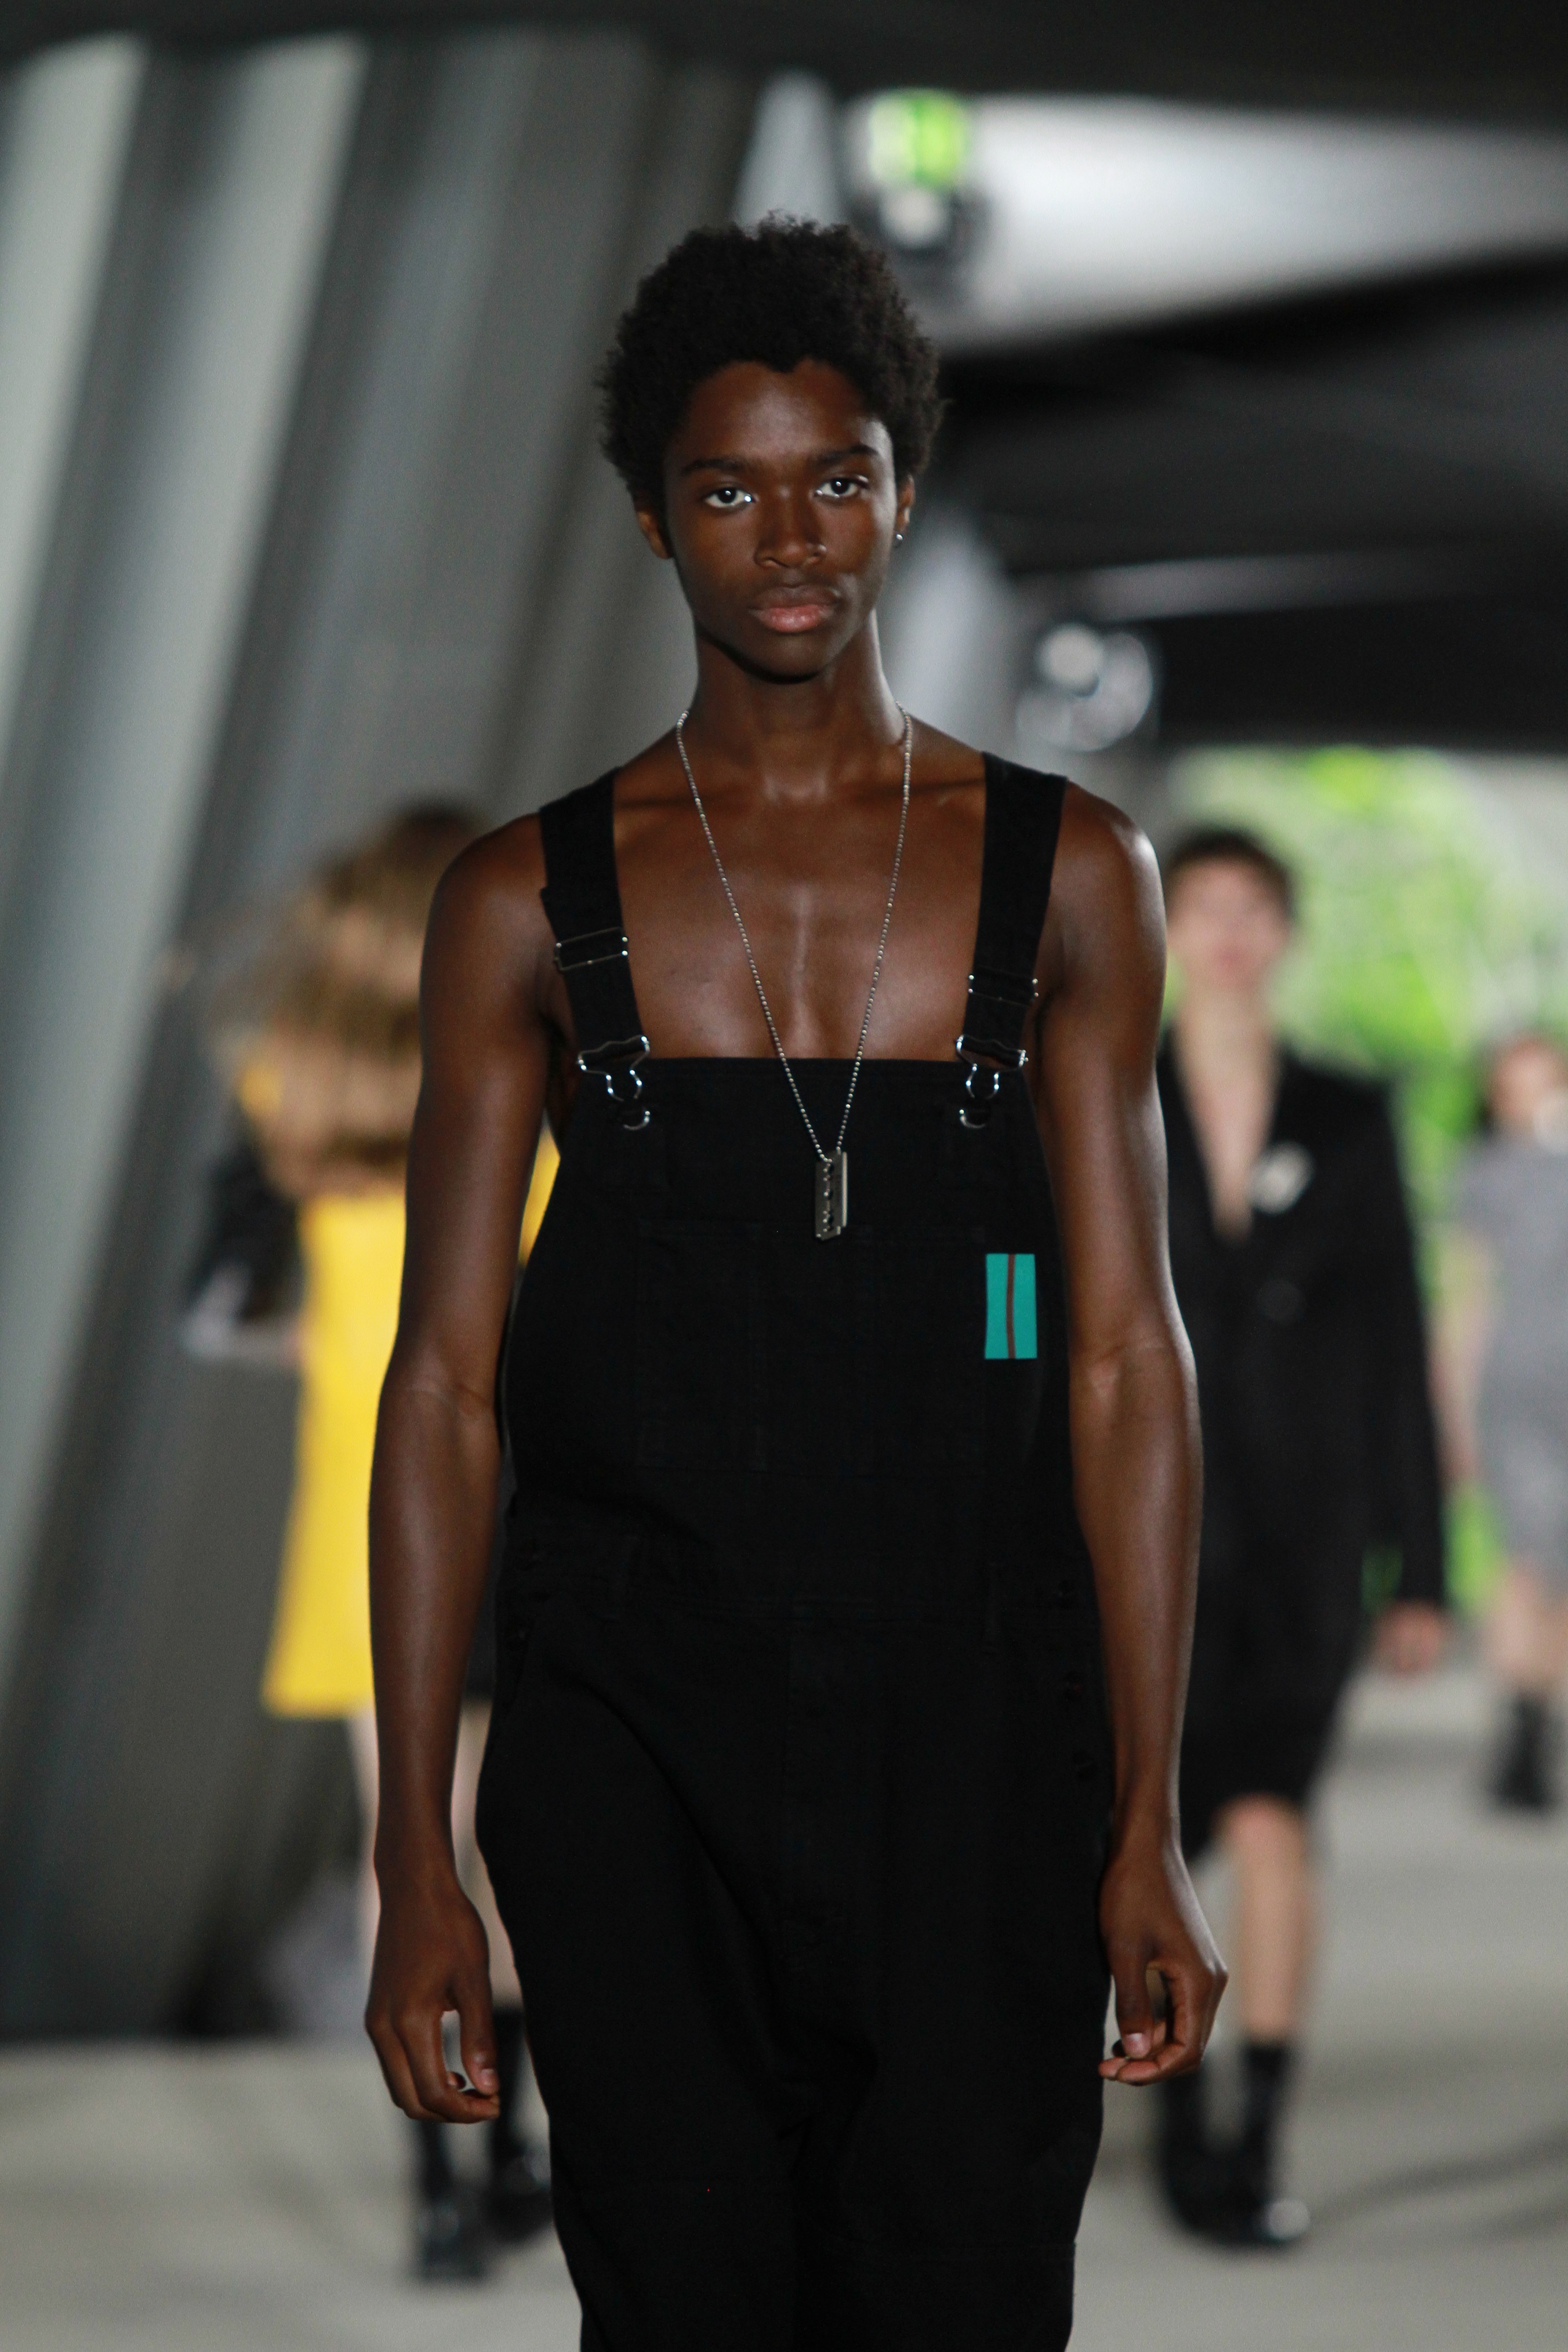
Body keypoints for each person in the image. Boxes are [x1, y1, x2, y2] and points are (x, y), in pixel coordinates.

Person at [365, 219, 1225, 2351]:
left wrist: (1146, 1816)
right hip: (630, 1734)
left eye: (835, 478)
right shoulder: (521, 905)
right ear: (652, 517)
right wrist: (412, 1855)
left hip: (978, 1733)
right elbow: (443, 1385)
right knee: (677, 2307)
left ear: (902, 490)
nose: (790, 538)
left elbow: (1120, 1355)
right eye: (730, 490)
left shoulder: (1071, 877)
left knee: (964, 2302)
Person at [205, 807, 557, 2278]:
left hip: (374, 1517)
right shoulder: (543, 1078)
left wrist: (334, 1345)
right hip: (530, 1501)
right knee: (517, 1843)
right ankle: (510, 2146)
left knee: (410, 1846)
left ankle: (437, 2180)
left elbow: (221, 1306)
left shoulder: (293, 1089)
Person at [1155, 826, 1448, 2248]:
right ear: (1162, 929)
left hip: (1304, 1531)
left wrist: (1421, 1565)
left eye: (1253, 908)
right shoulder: (1089, 1090)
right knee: (1144, 1832)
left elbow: (1398, 1339)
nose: (1227, 933)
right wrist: (1002, 1435)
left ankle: (1255, 2130)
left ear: (1284, 933)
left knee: (1275, 1814)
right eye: (1201, 906)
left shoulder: (1347, 1114)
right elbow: (1016, 1275)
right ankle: (1171, 2103)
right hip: (1139, 1527)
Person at [1442, 1030, 1568, 1810]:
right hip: (1517, 1388)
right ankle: (1521, 1719)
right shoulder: (1484, 1176)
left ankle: (1540, 1716)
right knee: (1525, 1555)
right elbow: (1469, 1296)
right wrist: (1453, 1410)